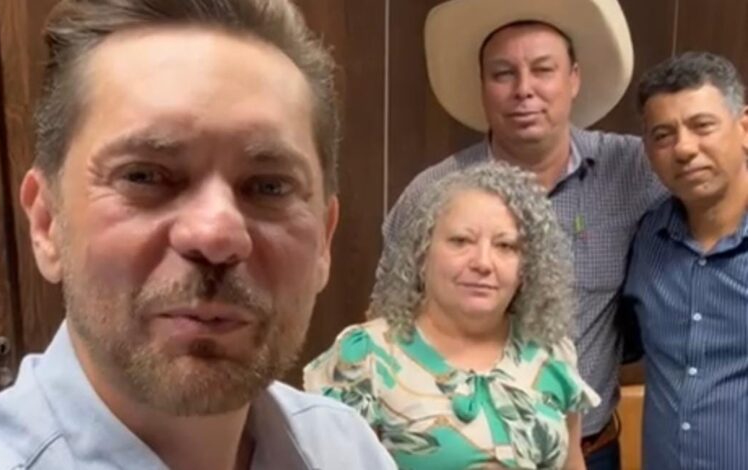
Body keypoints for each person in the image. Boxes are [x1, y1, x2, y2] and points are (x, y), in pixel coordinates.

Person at [0, 1, 397, 469]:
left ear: (323, 242)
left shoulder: (349, 450)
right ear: (47, 222)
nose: (216, 235)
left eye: (269, 187)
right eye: (144, 176)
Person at [379, 1, 666, 467]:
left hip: (590, 451)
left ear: (573, 78)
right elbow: (387, 318)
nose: (524, 89)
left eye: (543, 70)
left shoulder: (633, 171)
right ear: (483, 86)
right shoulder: (433, 194)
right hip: (462, 455)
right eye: (503, 74)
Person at [306, 162, 600, 469]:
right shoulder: (364, 358)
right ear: (422, 253)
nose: (483, 262)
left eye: (505, 246)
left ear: (528, 266)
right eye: (461, 241)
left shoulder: (551, 353)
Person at [623, 51, 748, 470]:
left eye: (702, 126)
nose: (684, 149)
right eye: (663, 135)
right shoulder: (647, 240)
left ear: (744, 128)